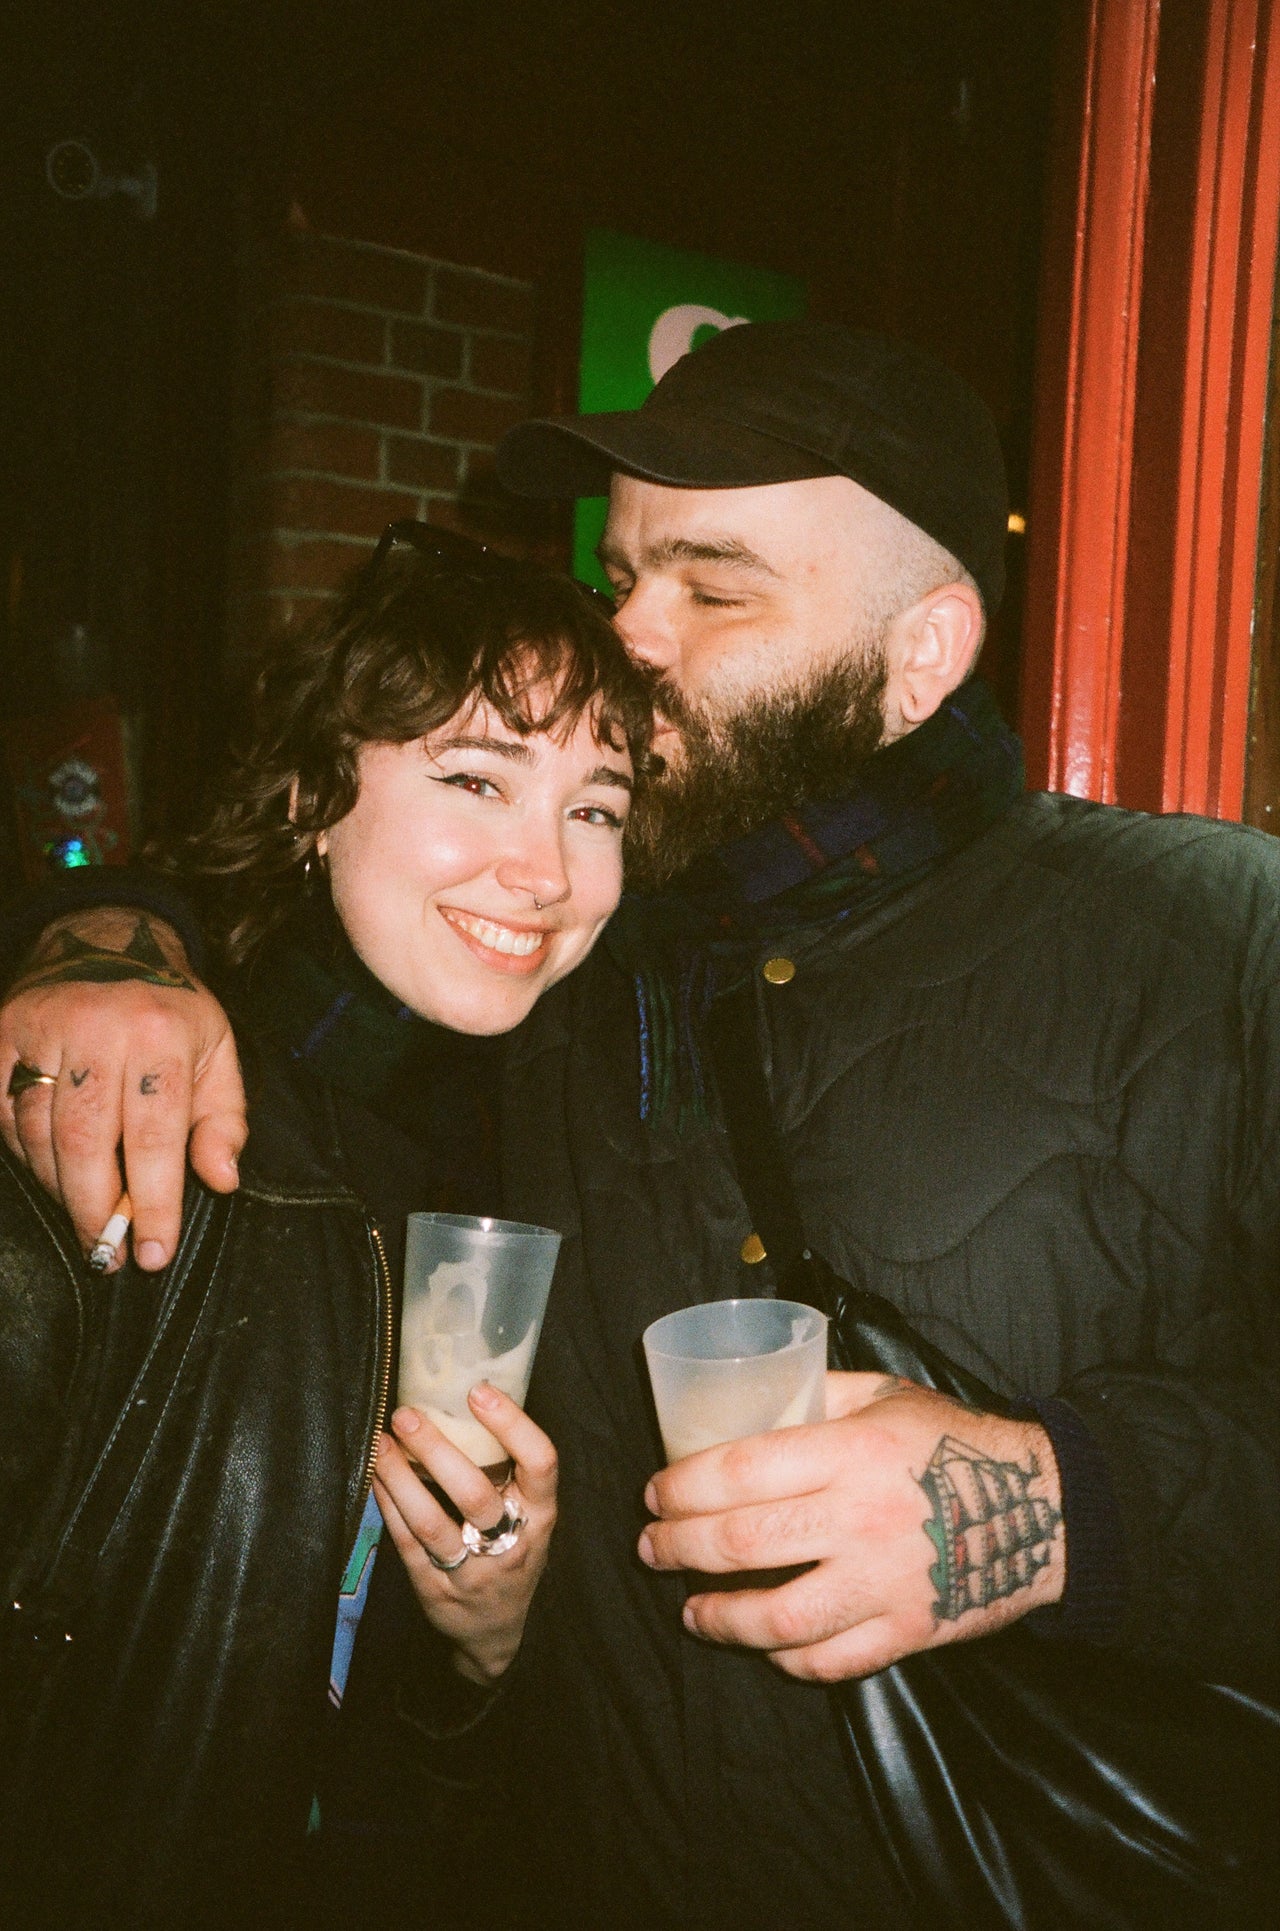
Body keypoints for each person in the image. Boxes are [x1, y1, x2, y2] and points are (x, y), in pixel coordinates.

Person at [3, 323, 1277, 1928]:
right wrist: (111, 944)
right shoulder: (569, 970)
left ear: (924, 652)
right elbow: (311, 923)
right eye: (623, 576)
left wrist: (1058, 1507)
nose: (632, 636)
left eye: (713, 588)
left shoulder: (1219, 938)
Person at [0, 524, 651, 1928]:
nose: (547, 872)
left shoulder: (568, 1154)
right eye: (477, 779)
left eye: (596, 809)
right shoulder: (135, 1116)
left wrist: (484, 1649)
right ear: (310, 798)